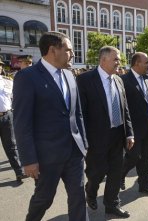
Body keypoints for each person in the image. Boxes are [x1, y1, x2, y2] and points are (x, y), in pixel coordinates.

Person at [13, 31, 88, 221]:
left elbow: (77, 113)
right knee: (44, 199)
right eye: (68, 50)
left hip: (74, 152)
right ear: (53, 50)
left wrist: (83, 144)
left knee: (79, 197)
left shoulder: (70, 75)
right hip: (47, 156)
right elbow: (22, 122)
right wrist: (28, 159)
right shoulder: (27, 77)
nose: (72, 54)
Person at [77, 46, 134, 218]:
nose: (119, 63)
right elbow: (80, 113)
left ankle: (112, 205)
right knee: (96, 172)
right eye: (116, 59)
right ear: (103, 60)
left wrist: (129, 133)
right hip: (96, 138)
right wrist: (84, 139)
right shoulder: (85, 80)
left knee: (116, 172)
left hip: (118, 135)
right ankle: (91, 191)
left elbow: (125, 110)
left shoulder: (118, 80)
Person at [120, 52, 148, 197]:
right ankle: (120, 174)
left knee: (145, 159)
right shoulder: (123, 80)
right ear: (137, 63)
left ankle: (144, 186)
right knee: (133, 156)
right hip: (133, 128)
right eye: (146, 62)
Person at [0, 57, 26, 184]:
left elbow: (14, 98)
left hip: (6, 116)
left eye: (0, 65)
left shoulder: (8, 81)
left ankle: (19, 171)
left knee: (11, 145)